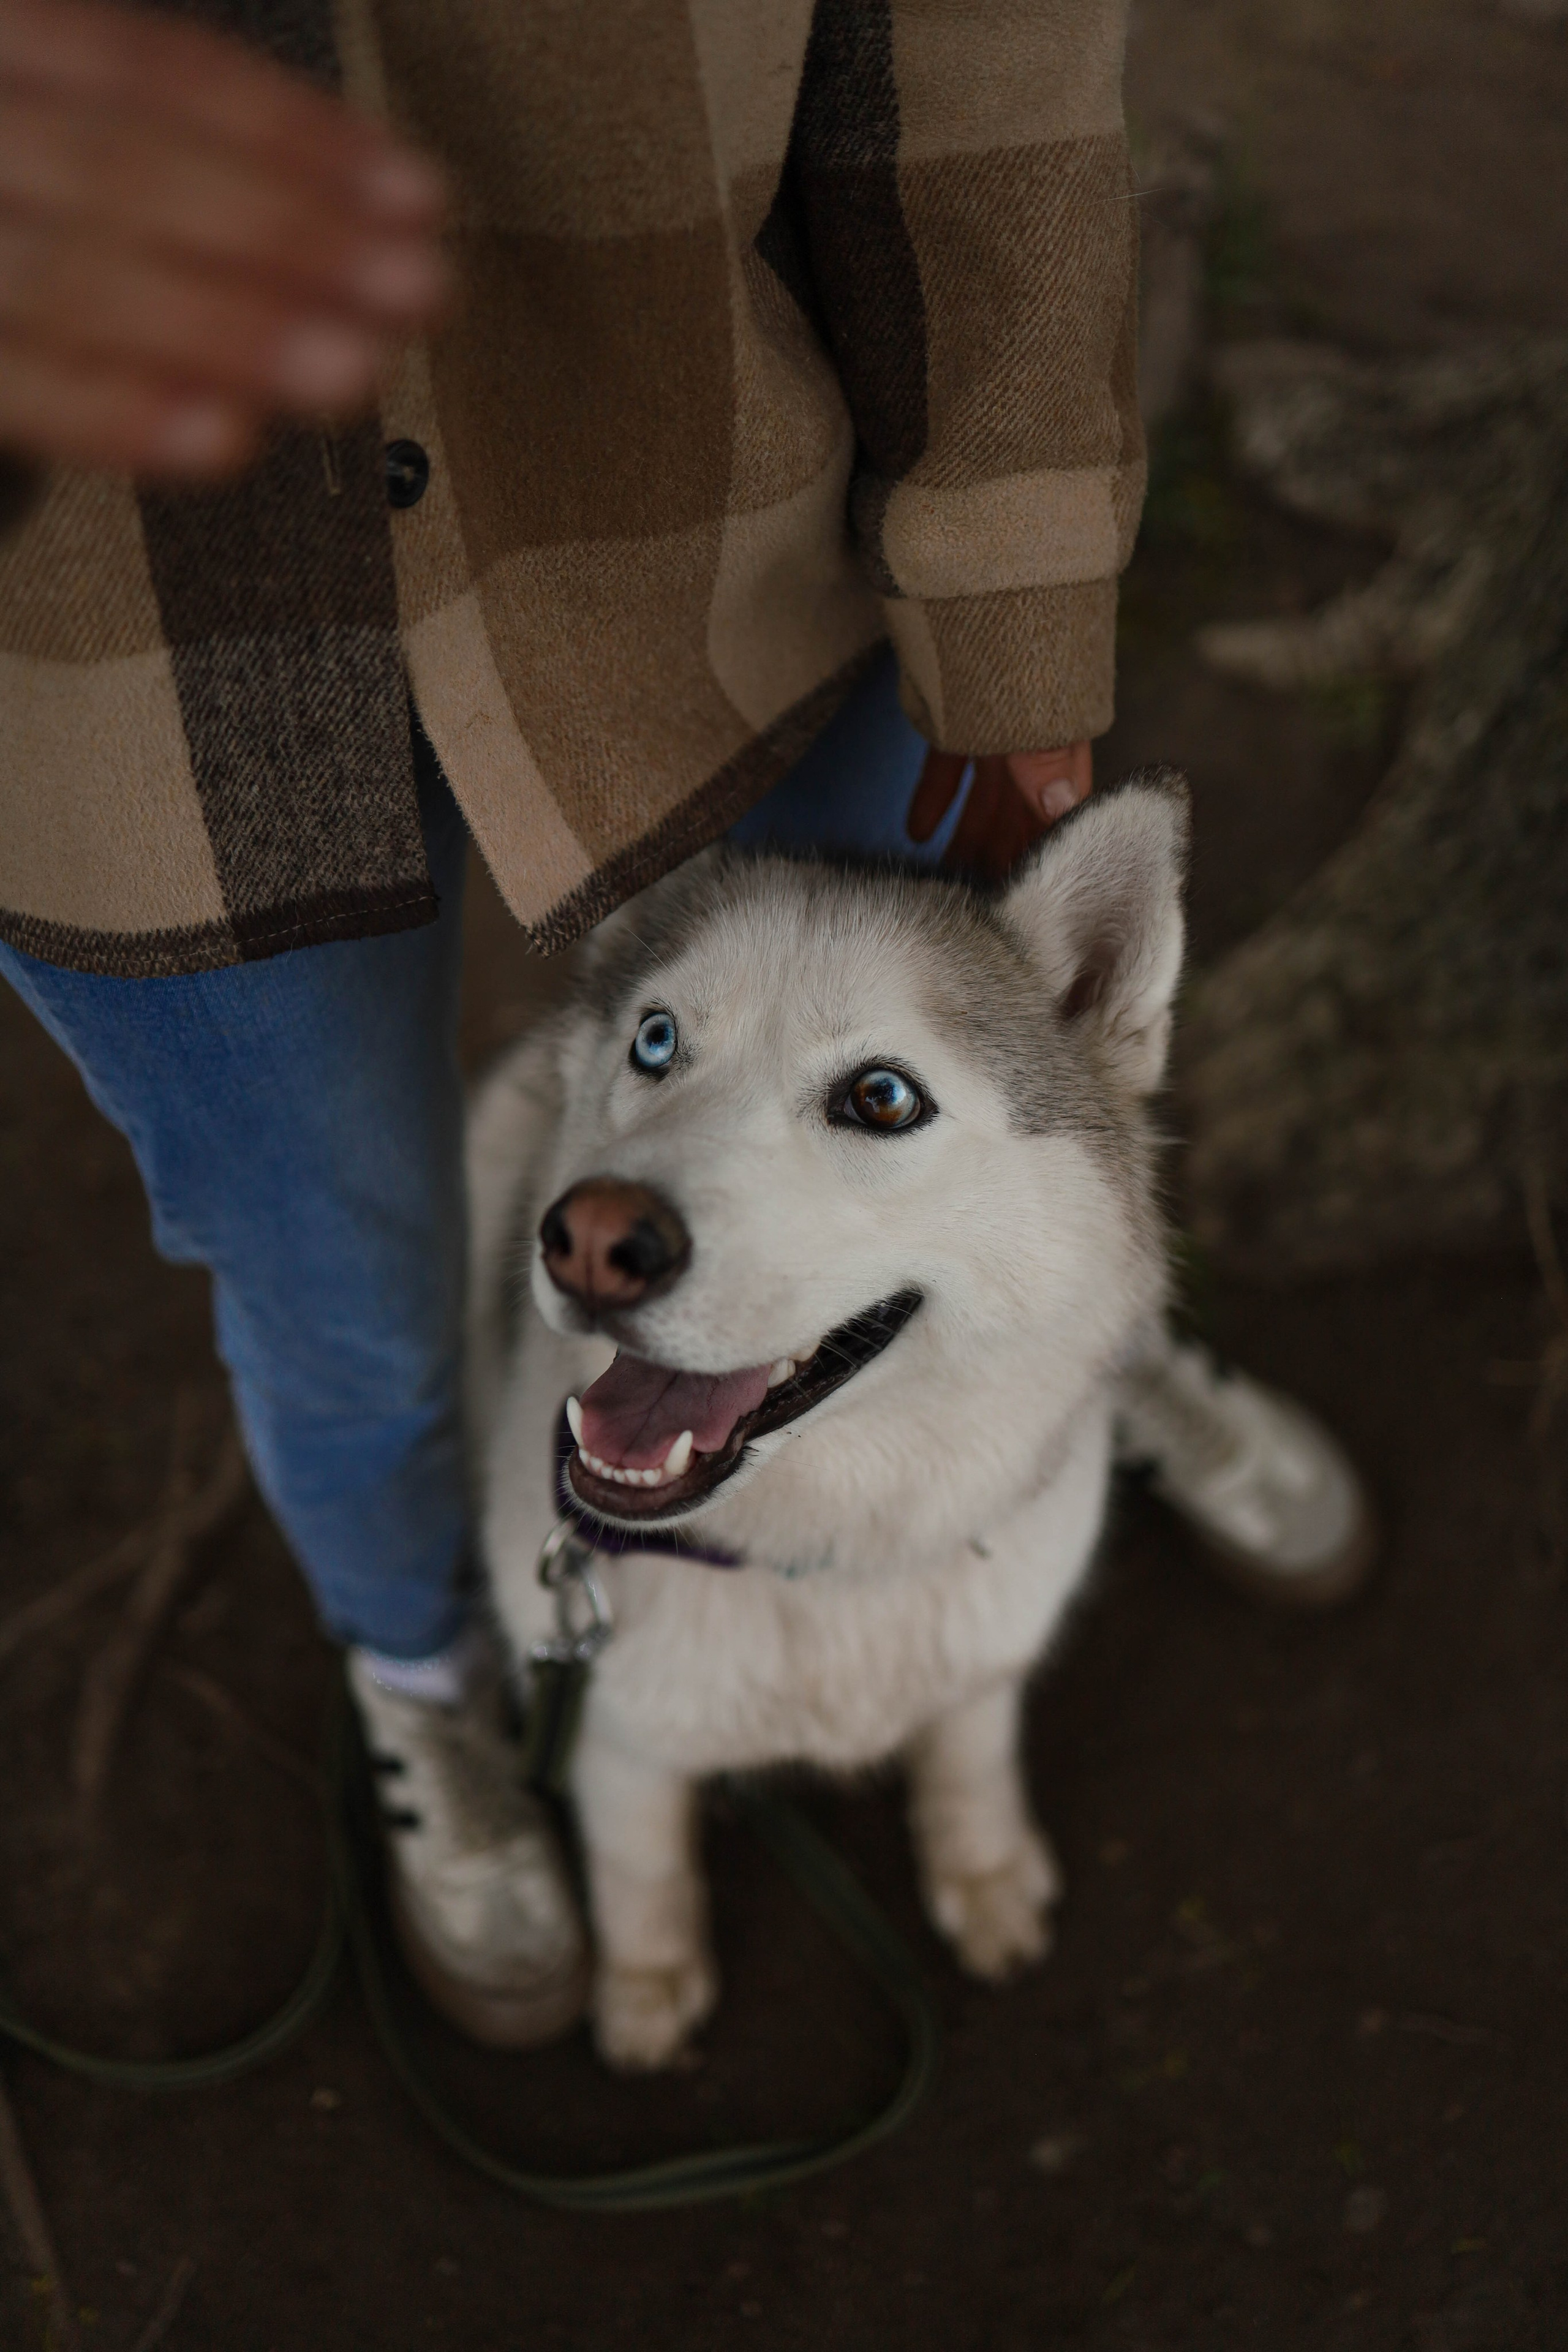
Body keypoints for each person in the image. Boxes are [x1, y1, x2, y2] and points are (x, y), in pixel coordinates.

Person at [0, 0, 1371, 2049]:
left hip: (696, 554)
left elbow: (978, 55)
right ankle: (429, 1682)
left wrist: (1010, 597)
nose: (611, 1214)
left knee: (1004, 1152)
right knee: (344, 1293)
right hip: (93, 650)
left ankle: (1086, 1373)